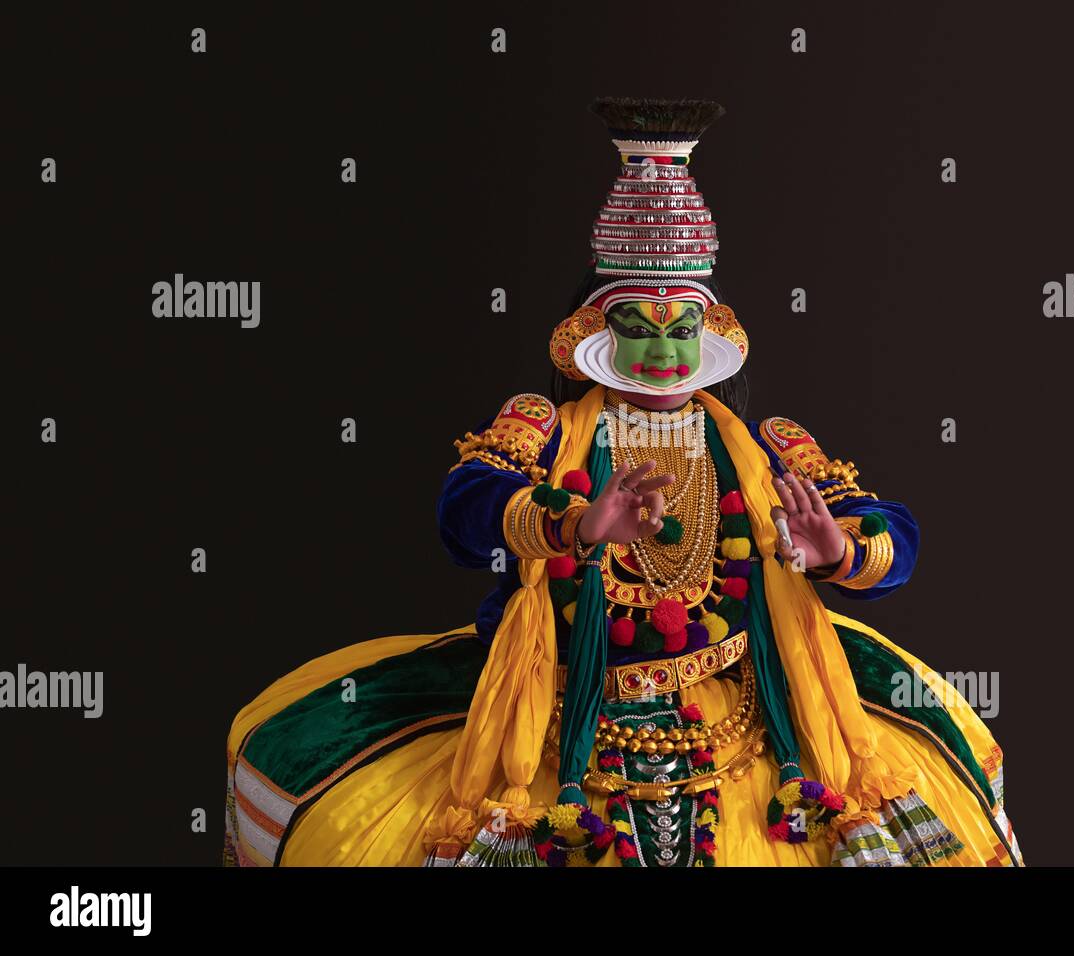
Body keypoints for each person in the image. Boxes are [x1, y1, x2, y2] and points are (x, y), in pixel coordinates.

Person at [223, 97, 1024, 868]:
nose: (664, 352)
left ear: (712, 334)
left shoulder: (763, 446)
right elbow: (463, 515)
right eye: (638, 328)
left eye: (682, 329)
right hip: (552, 700)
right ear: (594, 333)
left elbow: (892, 534)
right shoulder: (543, 424)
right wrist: (573, 525)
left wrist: (838, 549)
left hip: (749, 703)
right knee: (317, 776)